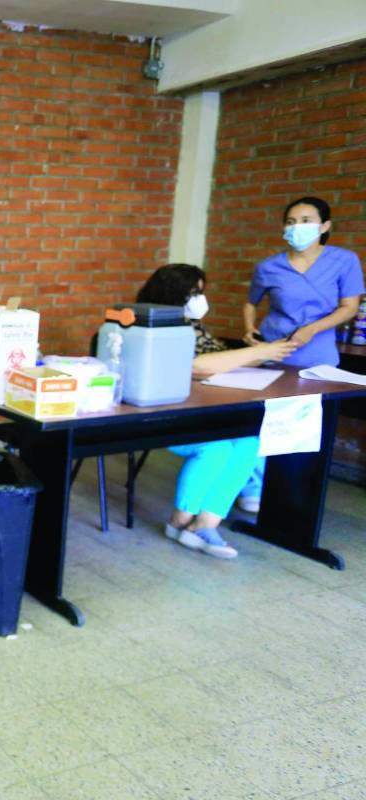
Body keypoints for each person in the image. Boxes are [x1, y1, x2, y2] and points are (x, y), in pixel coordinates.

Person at [136, 264, 298, 559]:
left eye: (201, 292)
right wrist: (258, 353)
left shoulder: (193, 324)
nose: (200, 299)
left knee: (249, 442)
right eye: (194, 292)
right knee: (216, 448)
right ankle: (179, 522)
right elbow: (196, 366)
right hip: (160, 415)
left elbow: (220, 358)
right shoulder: (153, 325)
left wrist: (258, 351)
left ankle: (206, 524)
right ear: (172, 293)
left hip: (200, 410)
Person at [236, 196, 365, 513]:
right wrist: (249, 329)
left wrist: (314, 329)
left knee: (302, 424)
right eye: (291, 222)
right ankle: (254, 486)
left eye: (306, 220)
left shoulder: (343, 261)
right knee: (264, 419)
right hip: (273, 351)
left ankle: (291, 489)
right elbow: (251, 302)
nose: (297, 228)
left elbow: (349, 307)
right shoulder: (269, 266)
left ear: (324, 226)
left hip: (317, 354)